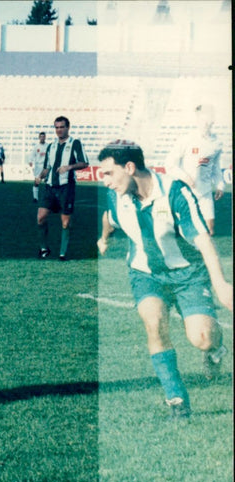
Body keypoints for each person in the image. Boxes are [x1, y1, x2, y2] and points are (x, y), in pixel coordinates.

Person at [96, 140, 231, 420]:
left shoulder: (174, 191)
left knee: (203, 338)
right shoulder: (117, 196)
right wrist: (104, 237)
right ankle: (176, 399)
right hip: (146, 274)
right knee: (154, 323)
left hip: (187, 275)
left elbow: (203, 240)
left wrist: (220, 284)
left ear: (130, 167)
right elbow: (109, 218)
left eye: (109, 173)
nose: (104, 181)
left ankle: (216, 350)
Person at [165, 104, 225, 235]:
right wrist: (185, 177)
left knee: (210, 230)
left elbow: (216, 168)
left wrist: (220, 185)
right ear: (197, 120)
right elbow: (169, 164)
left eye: (207, 120)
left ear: (212, 120)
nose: (204, 123)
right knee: (183, 230)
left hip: (205, 192)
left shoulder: (216, 143)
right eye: (201, 120)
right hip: (186, 190)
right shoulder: (186, 140)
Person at [36, 116, 88, 260]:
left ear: (68, 127)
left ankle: (62, 253)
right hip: (49, 187)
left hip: (66, 187)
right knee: (41, 217)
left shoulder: (75, 143)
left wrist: (69, 166)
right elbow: (47, 167)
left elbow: (84, 163)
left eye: (61, 127)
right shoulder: (51, 146)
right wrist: (40, 176)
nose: (59, 130)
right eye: (56, 127)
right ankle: (44, 248)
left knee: (65, 222)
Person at [29, 131, 48, 203]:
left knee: (48, 183)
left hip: (46, 166)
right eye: (41, 137)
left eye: (44, 137)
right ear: (39, 137)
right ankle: (35, 198)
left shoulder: (48, 146)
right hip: (38, 166)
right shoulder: (36, 147)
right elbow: (32, 155)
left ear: (45, 137)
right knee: (36, 182)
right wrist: (30, 161)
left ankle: (47, 197)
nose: (42, 138)